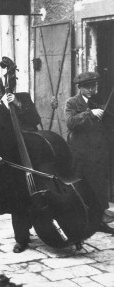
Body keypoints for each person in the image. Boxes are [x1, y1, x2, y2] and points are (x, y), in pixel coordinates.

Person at [0, 76, 41, 253]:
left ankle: (42, 228)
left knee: (37, 195)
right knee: (17, 200)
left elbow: (35, 119)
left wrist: (18, 104)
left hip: (32, 155)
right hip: (10, 161)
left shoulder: (22, 97)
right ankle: (21, 239)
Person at [65, 72, 114, 230]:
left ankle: (99, 221)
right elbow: (71, 123)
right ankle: (80, 220)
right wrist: (89, 113)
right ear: (80, 88)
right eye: (87, 87)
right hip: (80, 153)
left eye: (94, 86)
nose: (91, 90)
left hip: (98, 153)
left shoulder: (99, 100)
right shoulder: (72, 102)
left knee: (99, 188)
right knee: (80, 187)